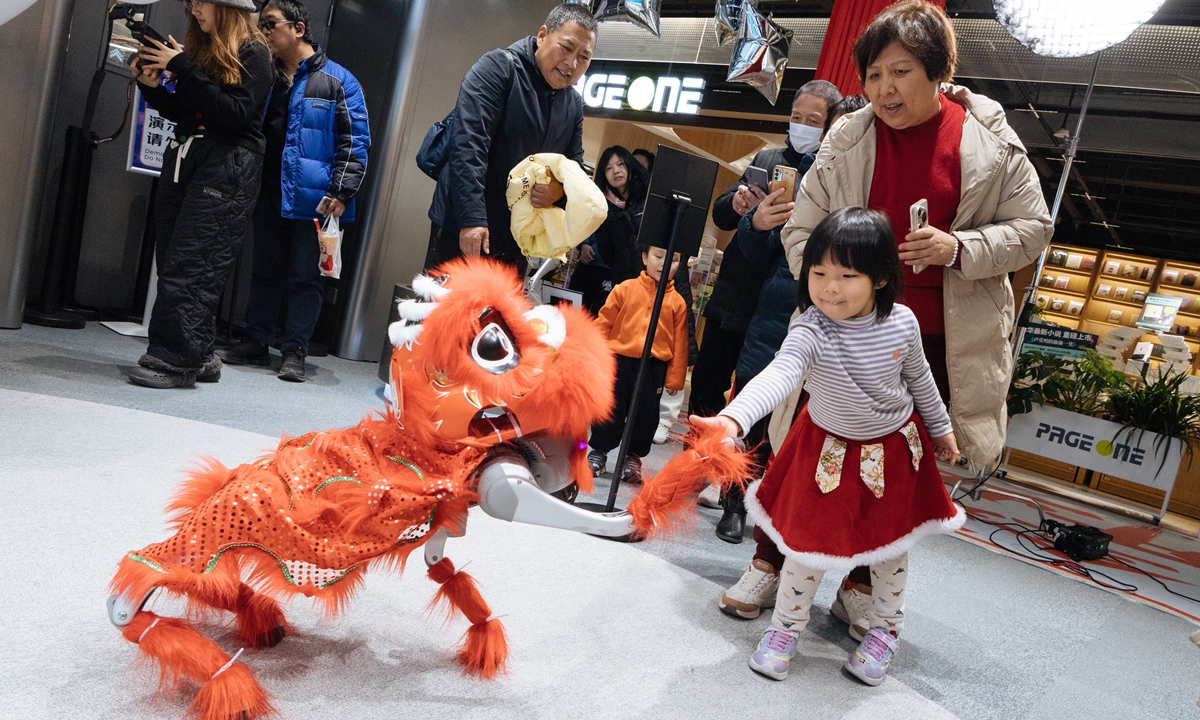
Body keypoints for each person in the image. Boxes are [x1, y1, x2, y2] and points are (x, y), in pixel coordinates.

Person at [778, 0, 1053, 639]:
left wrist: (959, 248)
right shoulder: (848, 136)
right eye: (874, 75)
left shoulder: (987, 138)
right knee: (807, 450)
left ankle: (856, 587)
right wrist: (833, 292)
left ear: (938, 73)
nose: (884, 89)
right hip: (844, 331)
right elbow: (800, 230)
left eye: (900, 72)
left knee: (889, 475)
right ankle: (771, 563)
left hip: (934, 339)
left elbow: (1033, 228)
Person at [695, 207, 964, 685]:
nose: (830, 288)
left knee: (889, 549)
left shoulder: (902, 323)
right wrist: (732, 418)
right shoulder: (810, 327)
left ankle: (885, 631)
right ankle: (784, 629)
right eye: (819, 273)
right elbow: (780, 374)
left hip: (890, 452)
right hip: (827, 453)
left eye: (847, 275)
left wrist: (941, 429)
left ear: (881, 278)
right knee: (806, 544)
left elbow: (921, 380)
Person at [717, 96, 869, 618]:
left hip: (857, 343)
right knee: (762, 432)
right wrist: (756, 223)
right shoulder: (799, 175)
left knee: (840, 461)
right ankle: (742, 515)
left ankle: (854, 582)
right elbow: (753, 247)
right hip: (780, 320)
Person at [689, 80, 843, 542]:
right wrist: (739, 207)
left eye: (813, 121)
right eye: (796, 117)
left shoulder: (829, 175)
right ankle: (696, 469)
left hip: (776, 310)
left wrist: (768, 228)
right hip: (732, 300)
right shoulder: (767, 158)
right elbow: (722, 213)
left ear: (831, 126)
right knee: (707, 390)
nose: (802, 127)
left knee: (756, 409)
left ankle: (736, 499)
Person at [217, 0, 370, 382]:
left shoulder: (338, 80)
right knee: (264, 269)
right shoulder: (263, 74)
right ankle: (257, 340)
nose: (263, 32)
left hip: (316, 199)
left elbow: (355, 141)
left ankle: (294, 351)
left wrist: (341, 192)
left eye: (270, 24)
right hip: (267, 188)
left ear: (298, 29)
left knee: (306, 277)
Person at [126, 0, 273, 389]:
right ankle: (199, 351)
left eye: (201, 1)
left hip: (227, 164)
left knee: (193, 264)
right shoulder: (205, 49)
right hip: (189, 157)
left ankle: (175, 359)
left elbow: (235, 114)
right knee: (175, 258)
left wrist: (183, 67)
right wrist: (151, 86)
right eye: (190, 3)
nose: (194, 10)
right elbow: (189, 112)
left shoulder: (254, 51)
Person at [424, 3, 596, 276]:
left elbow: (572, 168)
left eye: (584, 57)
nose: (572, 63)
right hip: (466, 227)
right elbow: (468, 144)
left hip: (517, 239)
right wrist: (472, 218)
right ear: (542, 35)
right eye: (566, 47)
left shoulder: (573, 104)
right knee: (446, 303)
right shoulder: (499, 67)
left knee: (500, 306)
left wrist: (558, 192)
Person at [587, 245, 689, 485]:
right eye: (658, 256)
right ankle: (599, 451)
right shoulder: (624, 289)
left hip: (654, 368)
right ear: (644, 257)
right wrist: (595, 357)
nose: (664, 263)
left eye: (673, 259)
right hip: (620, 361)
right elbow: (603, 324)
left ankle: (632, 458)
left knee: (646, 415)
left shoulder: (678, 303)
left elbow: (680, 343)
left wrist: (675, 379)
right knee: (610, 408)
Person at [569, 145, 649, 314]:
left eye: (620, 164)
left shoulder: (647, 199)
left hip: (649, 279)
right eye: (609, 168)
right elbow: (606, 249)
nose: (616, 171)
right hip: (620, 279)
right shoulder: (603, 206)